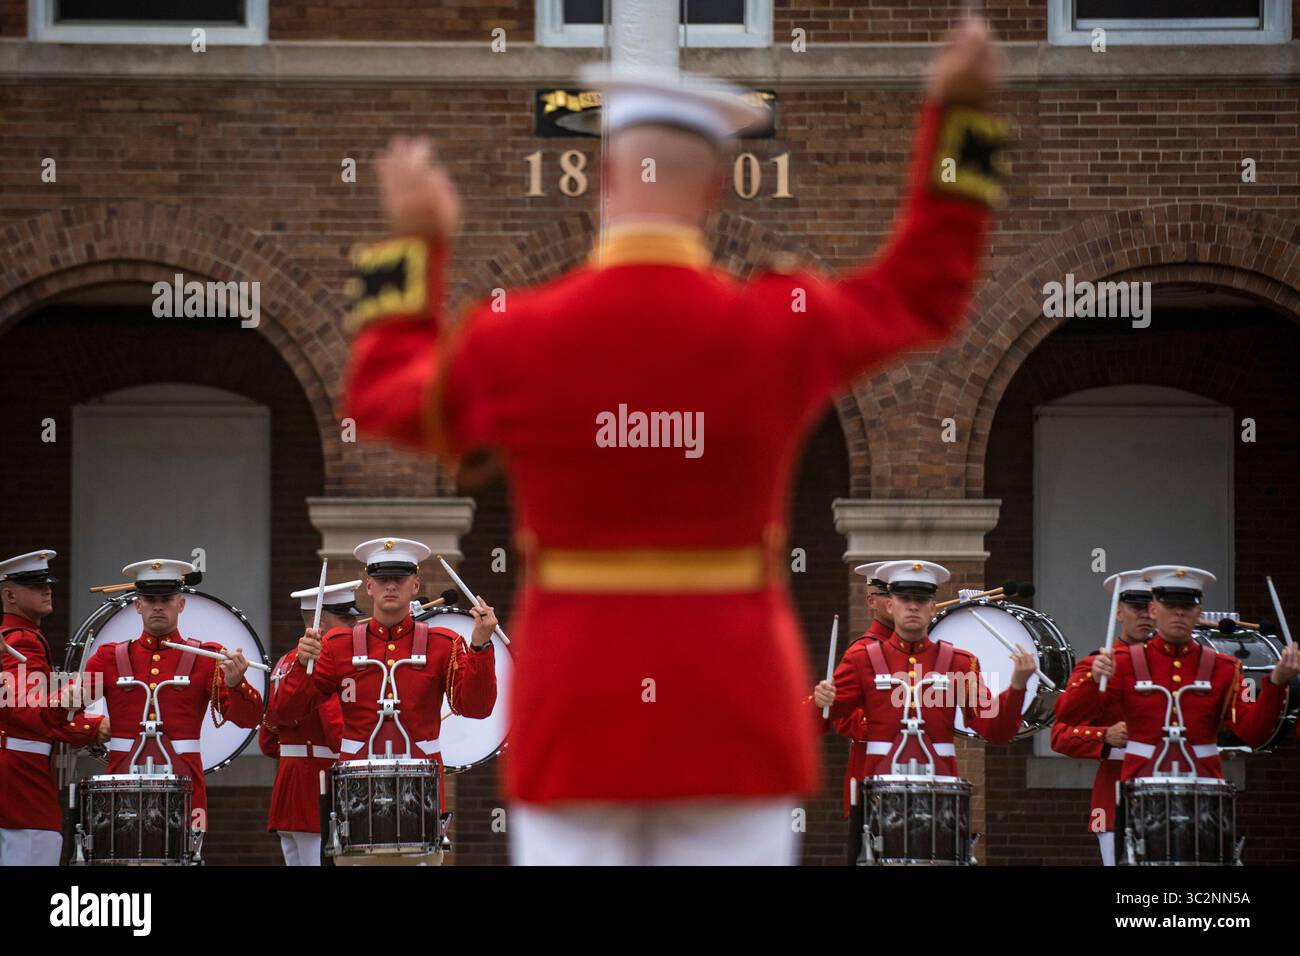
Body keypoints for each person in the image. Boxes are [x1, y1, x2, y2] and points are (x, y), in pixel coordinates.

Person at [340, 20, 1007, 864]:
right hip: (732, 710)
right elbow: (925, 293)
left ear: (603, 178)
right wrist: (962, 120)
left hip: (576, 709)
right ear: (721, 187)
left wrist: (414, 238)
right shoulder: (776, 323)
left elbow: (381, 396)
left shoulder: (518, 337)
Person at [271, 538, 496, 865]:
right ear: (369, 586)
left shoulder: (442, 643)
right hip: (355, 797)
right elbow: (285, 712)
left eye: (400, 579)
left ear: (415, 584)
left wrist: (478, 647)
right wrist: (302, 667)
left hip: (420, 801)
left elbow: (476, 707)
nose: (391, 586)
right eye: (382, 579)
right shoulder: (337, 645)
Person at [64, 559, 262, 835]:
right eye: (149, 598)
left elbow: (249, 719)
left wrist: (236, 683)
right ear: (137, 605)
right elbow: (59, 718)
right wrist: (92, 724)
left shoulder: (206, 657)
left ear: (181, 604)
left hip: (184, 785)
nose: (158, 606)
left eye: (167, 599)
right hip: (122, 783)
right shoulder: (108, 657)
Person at [1063, 565, 1300, 786]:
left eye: (1187, 606)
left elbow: (1254, 734)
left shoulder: (1224, 668)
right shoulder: (1124, 664)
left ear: (1198, 613)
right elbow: (1068, 717)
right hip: (1140, 790)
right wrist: (1092, 682)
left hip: (1204, 791)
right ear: (1154, 610)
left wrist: (1276, 683)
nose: (1178, 612)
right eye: (1170, 604)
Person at [0, 550, 106, 865]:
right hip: (22, 782)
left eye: (47, 584)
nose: (47, 590)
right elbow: (26, 709)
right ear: (10, 595)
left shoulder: (19, 636)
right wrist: (86, 720)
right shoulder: (22, 641)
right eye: (34, 586)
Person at [1050, 570, 1154, 865]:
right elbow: (1061, 732)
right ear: (1119, 612)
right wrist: (1104, 736)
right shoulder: (1098, 663)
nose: (1144, 615)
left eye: (1151, 607)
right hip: (1117, 787)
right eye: (1136, 607)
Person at [259, 579, 357, 866]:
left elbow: (267, 742)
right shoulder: (323, 666)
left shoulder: (287, 662)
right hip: (319, 787)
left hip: (290, 784)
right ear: (322, 622)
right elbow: (337, 732)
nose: (353, 627)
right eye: (347, 619)